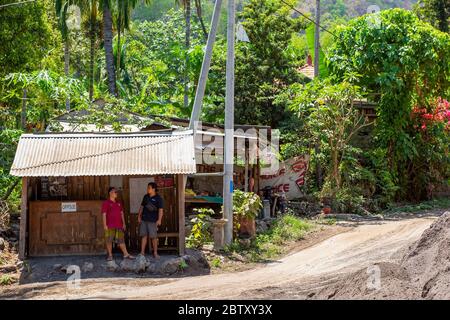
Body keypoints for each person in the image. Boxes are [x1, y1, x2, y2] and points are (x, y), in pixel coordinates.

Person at [102, 187, 134, 261]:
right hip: (109, 226)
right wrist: (104, 225)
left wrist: (124, 223)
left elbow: (121, 213)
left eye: (116, 192)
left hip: (119, 225)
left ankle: (126, 254)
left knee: (121, 240)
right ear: (110, 193)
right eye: (115, 192)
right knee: (109, 240)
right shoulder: (106, 203)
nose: (116, 193)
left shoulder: (118, 203)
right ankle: (110, 255)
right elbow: (104, 214)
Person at [138, 182, 164, 259]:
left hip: (153, 221)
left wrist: (159, 220)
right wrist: (139, 216)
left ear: (154, 189)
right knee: (144, 236)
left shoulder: (158, 198)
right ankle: (142, 253)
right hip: (144, 219)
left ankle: (155, 253)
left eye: (149, 188)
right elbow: (142, 207)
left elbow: (160, 210)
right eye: (147, 187)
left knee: (153, 237)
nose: (147, 189)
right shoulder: (145, 197)